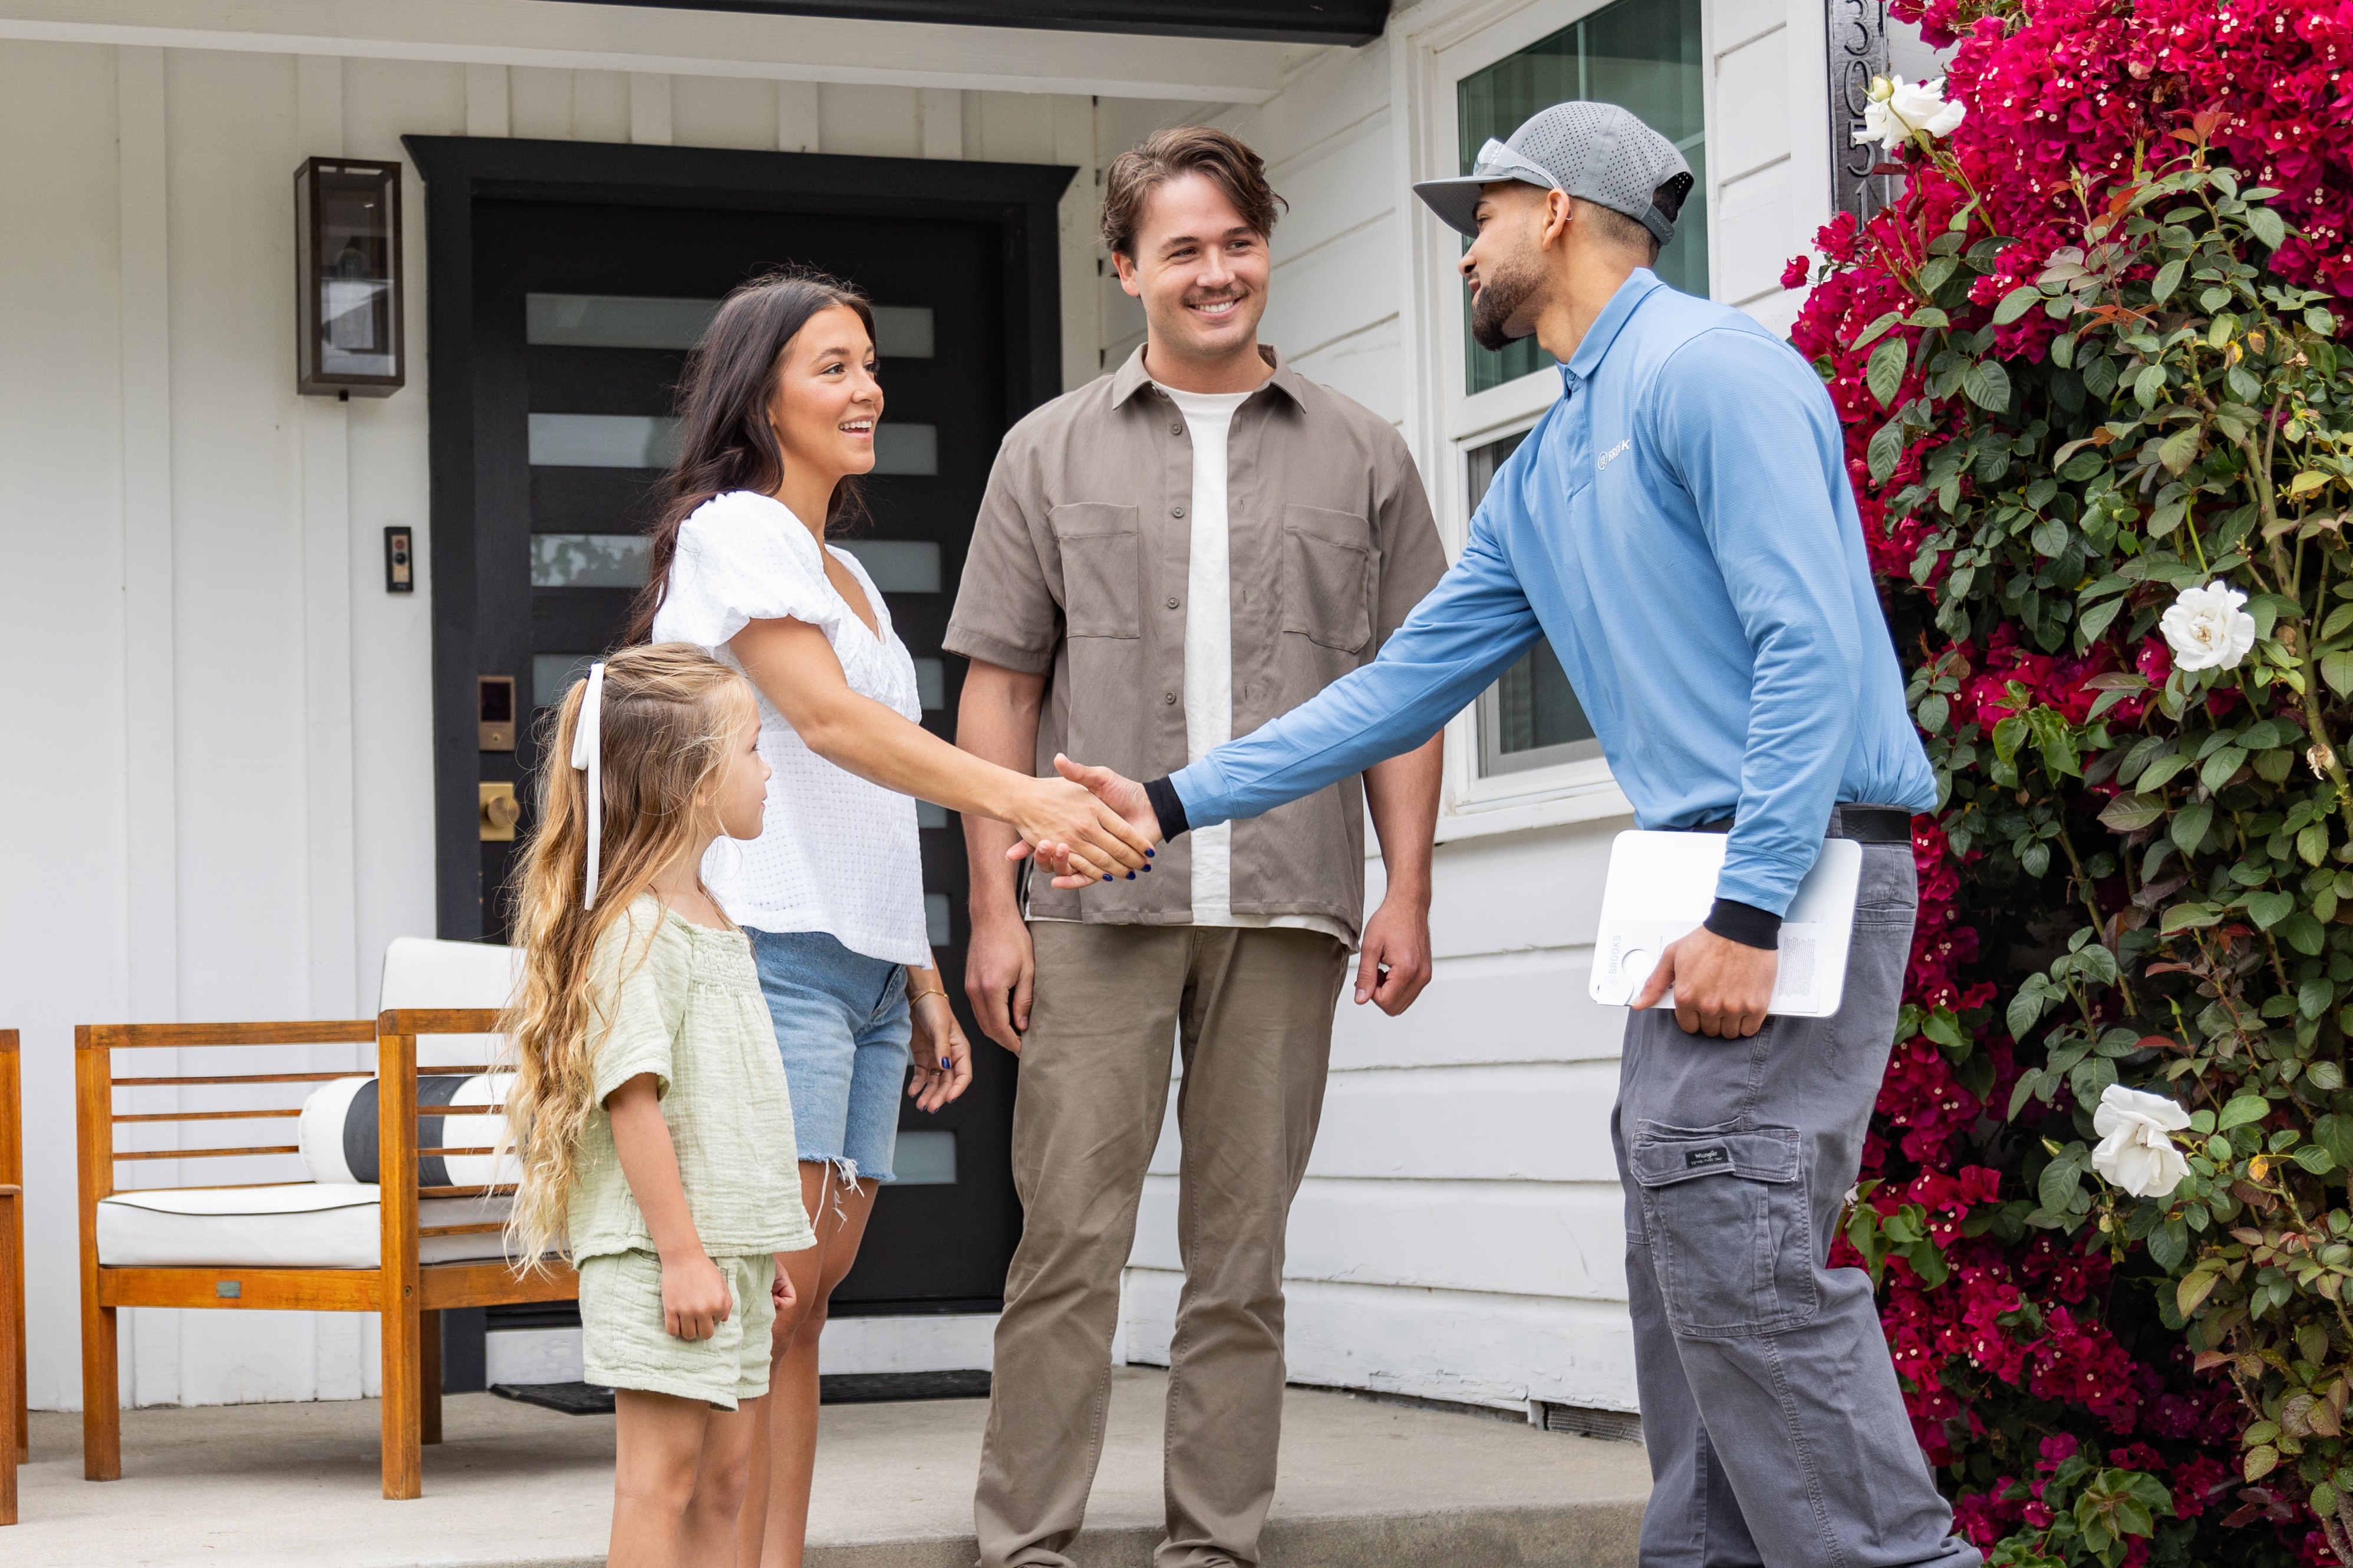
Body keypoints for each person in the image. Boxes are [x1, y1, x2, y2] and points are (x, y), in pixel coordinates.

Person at [1040, 103, 1974, 1568]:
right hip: (1694, 883)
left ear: (1552, 209)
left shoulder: (1712, 373)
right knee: (1685, 1258)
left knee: (1741, 1247)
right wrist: (1162, 802)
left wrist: (1749, 908)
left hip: (1784, 870)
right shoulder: (1548, 462)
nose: (1464, 252)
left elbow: (1808, 651)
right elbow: (1394, 689)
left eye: (1476, 218)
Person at [944, 127, 1449, 1568]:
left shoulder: (1364, 452)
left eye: (1238, 241)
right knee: (1066, 1240)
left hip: (1288, 906)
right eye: (1182, 248)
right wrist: (994, 905)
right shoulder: (1044, 451)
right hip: (1091, 907)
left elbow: (1407, 690)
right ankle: (1025, 1544)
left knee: (1242, 1258)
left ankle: (1213, 1546)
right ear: (1125, 269)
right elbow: (998, 690)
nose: (1217, 271)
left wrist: (1407, 889)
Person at [628, 269, 1158, 1568]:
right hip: (768, 954)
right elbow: (828, 725)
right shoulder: (733, 530)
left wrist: (918, 973)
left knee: (805, 1312)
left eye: (870, 364)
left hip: (860, 971)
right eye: (832, 367)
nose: (866, 388)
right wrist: (1025, 796)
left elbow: (865, 795)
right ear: (761, 397)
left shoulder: (849, 572)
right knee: (768, 1303)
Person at [500, 643, 816, 1568]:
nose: (768, 771)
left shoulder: (709, 913)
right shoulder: (637, 927)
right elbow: (631, 1103)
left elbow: (723, 1104)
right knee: (660, 1484)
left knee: (724, 1486)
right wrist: (683, 1254)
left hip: (725, 1252)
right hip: (660, 1255)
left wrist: (753, 1245)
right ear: (693, 779)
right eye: (753, 748)